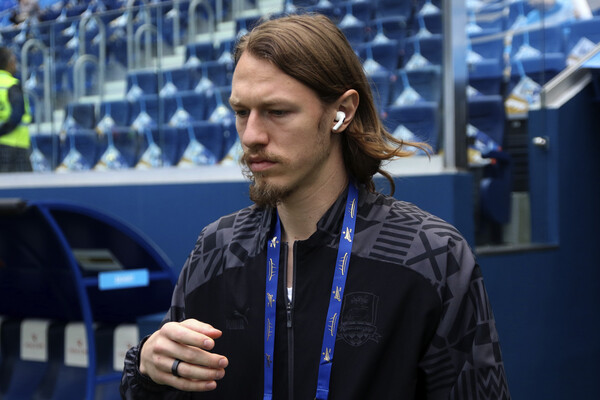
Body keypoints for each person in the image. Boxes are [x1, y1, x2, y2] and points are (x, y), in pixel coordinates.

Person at [121, 13, 510, 399]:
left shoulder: (430, 255)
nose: (251, 135)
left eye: (277, 112)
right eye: (241, 112)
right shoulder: (215, 250)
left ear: (342, 112)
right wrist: (147, 373)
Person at [0, 46, 32, 172]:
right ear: (9, 63)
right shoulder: (11, 84)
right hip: (14, 146)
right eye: (13, 60)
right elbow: (17, 115)